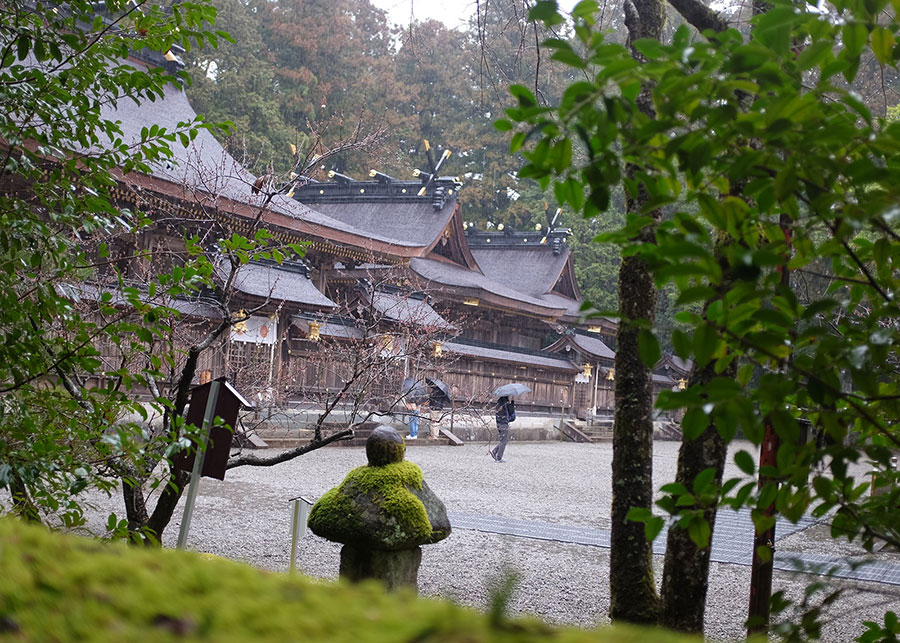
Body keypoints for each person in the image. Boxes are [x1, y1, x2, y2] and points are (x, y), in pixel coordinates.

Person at [489, 396, 515, 462]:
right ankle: (499, 457)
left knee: (503, 440)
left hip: (499, 424)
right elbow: (512, 411)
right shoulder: (505, 404)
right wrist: (512, 402)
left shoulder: (498, 404)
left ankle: (494, 451)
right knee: (503, 441)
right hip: (504, 424)